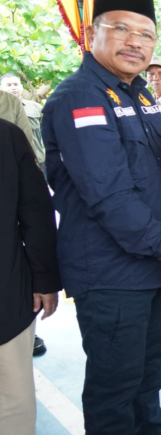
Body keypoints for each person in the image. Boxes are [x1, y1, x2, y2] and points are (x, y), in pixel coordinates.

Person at [42, 0, 161, 434]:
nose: (135, 42)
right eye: (121, 29)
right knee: (115, 393)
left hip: (148, 269)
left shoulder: (139, 95)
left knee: (146, 383)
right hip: (111, 276)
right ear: (91, 33)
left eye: (146, 34)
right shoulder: (80, 98)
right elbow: (111, 197)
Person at [0, 118, 61, 435]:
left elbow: (35, 211)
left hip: (7, 294)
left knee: (12, 399)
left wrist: (44, 280)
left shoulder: (7, 137)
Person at [0, 73, 45, 170]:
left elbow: (47, 133)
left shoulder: (36, 107)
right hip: (7, 162)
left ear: (21, 87)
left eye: (16, 85)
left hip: (36, 159)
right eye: (9, 85)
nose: (13, 88)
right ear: (1, 88)